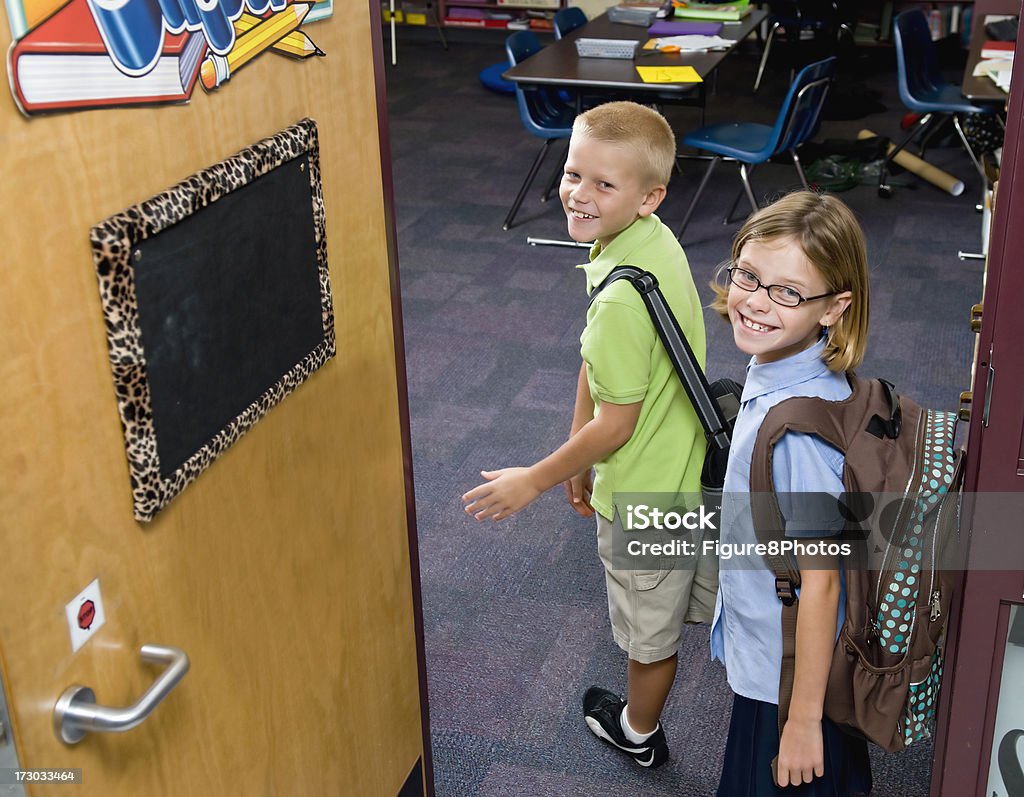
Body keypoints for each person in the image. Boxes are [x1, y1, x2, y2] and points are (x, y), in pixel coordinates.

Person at [461, 101, 714, 769]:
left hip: (646, 497)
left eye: (605, 184)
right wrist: (579, 442)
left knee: (648, 636)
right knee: (664, 603)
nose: (578, 193)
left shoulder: (618, 301)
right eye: (574, 174)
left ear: (650, 194)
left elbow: (618, 421)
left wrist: (536, 477)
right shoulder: (645, 245)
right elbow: (603, 369)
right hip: (679, 469)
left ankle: (638, 731)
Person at [709, 191, 873, 795]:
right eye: (748, 276)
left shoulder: (797, 438)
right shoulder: (792, 371)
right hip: (780, 660)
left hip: (788, 685)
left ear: (834, 308)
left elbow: (821, 582)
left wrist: (802, 723)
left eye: (787, 293)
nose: (753, 301)